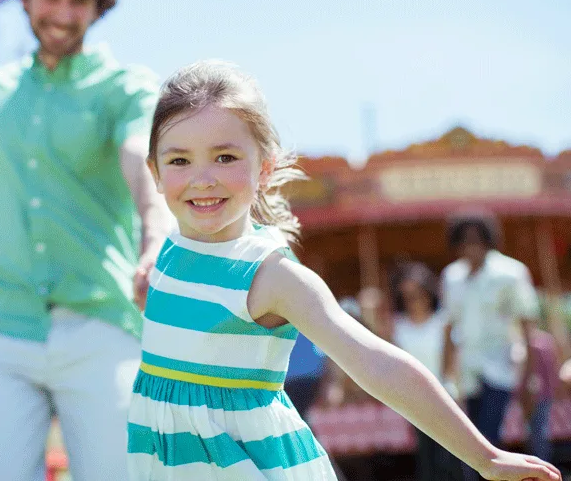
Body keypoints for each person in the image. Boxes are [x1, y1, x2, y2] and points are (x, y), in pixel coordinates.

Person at [126, 59, 561, 481]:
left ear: (265, 168)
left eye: (224, 157)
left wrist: (486, 458)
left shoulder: (271, 276)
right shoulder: (165, 249)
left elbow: (377, 364)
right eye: (180, 160)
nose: (202, 178)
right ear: (156, 172)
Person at [0, 0, 173, 480]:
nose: (63, 12)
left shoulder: (125, 89)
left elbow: (142, 165)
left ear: (99, 7)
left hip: (102, 324)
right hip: (0, 328)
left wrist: (156, 240)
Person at [441, 210, 541, 481]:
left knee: (489, 438)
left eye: (476, 240)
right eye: (464, 241)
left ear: (488, 241)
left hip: (501, 369)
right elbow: (448, 328)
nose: (470, 246)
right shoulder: (452, 277)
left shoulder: (510, 273)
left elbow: (527, 327)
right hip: (467, 374)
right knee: (467, 440)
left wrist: (530, 376)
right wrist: (445, 376)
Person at [385, 262, 463, 481]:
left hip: (447, 397)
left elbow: (451, 360)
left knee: (452, 457)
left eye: (418, 295)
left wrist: (451, 390)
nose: (413, 301)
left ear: (428, 294)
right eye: (407, 296)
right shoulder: (397, 326)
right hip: (416, 401)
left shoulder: (443, 322)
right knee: (427, 460)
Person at [514, 328, 559, 462]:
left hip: (535, 395)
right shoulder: (547, 340)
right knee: (540, 432)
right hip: (546, 394)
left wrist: (527, 395)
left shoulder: (532, 344)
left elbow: (532, 374)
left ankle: (539, 465)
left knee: (537, 434)